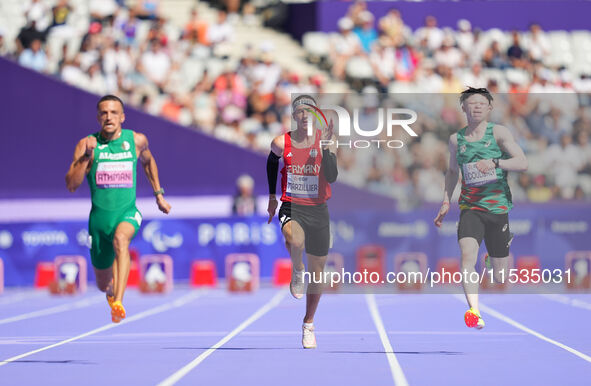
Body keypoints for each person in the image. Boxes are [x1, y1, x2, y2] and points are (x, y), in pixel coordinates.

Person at [66, 95, 171, 323]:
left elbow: (148, 161)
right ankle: (113, 292)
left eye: (114, 112)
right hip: (98, 222)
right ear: (97, 117)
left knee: (121, 240)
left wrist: (158, 195)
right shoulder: (86, 145)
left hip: (127, 213)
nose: (109, 117)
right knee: (103, 284)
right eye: (104, 113)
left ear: (122, 117)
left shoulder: (136, 140)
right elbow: (72, 185)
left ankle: (119, 302)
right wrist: (86, 157)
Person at [433, 87, 528, 329]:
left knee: (500, 277)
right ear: (463, 108)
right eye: (471, 103)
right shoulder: (456, 140)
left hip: (497, 209)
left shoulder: (499, 133)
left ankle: (492, 259)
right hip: (470, 207)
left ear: (489, 108)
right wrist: (446, 200)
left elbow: (522, 162)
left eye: (481, 103)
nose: (476, 107)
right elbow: (453, 171)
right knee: (466, 257)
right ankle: (474, 311)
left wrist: (495, 161)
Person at [267, 95, 338, 348]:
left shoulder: (324, 141)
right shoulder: (280, 142)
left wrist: (327, 149)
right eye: (300, 112)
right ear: (294, 116)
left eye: (309, 111)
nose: (305, 115)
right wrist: (273, 196)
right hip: (291, 204)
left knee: (318, 274)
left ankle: (308, 323)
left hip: (318, 209)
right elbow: (271, 161)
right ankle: (297, 268)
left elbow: (332, 176)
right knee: (295, 240)